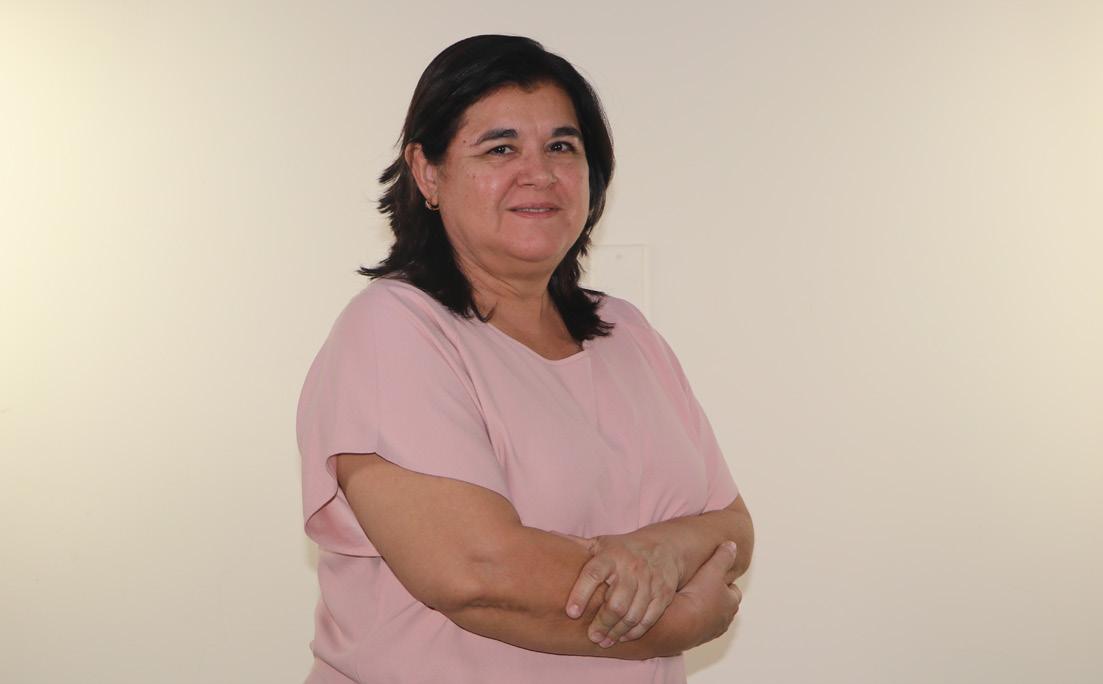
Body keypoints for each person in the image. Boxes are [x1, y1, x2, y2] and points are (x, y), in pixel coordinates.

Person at [296, 34, 754, 684]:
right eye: (500, 148)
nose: (538, 173)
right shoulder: (393, 330)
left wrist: (657, 550)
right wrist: (680, 621)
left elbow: (732, 528)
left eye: (562, 147)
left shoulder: (628, 333)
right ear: (428, 172)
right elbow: (478, 575)